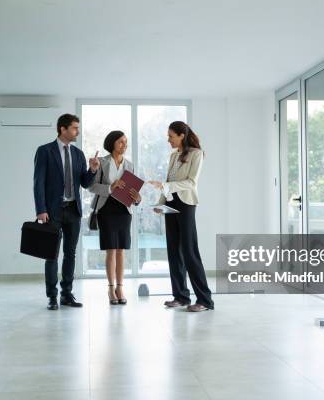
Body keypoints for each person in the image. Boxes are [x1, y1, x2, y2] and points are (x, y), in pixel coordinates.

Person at [33, 113, 100, 310]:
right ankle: (52, 297)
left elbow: (85, 184)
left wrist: (93, 170)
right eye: (74, 128)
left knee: (70, 254)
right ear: (62, 129)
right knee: (51, 254)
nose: (77, 131)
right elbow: (38, 183)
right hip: (52, 211)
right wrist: (41, 209)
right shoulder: (45, 151)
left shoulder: (78, 154)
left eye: (78, 128)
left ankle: (66, 294)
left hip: (73, 211)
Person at [148, 121, 214, 312]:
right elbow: (168, 181)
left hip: (186, 203)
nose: (168, 139)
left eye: (171, 136)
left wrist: (165, 187)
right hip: (170, 202)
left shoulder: (196, 154)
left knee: (189, 250)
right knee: (173, 250)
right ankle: (181, 296)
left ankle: (205, 300)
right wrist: (161, 203)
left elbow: (191, 183)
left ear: (181, 135)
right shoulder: (173, 155)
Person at [87, 131, 141, 305]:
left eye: (126, 142)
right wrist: (111, 187)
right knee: (111, 249)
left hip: (124, 211)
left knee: (121, 250)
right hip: (106, 209)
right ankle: (110, 289)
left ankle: (120, 287)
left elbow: (132, 190)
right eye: (121, 142)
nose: (124, 145)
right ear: (112, 143)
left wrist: (137, 198)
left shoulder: (130, 165)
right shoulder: (102, 162)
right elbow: (92, 187)